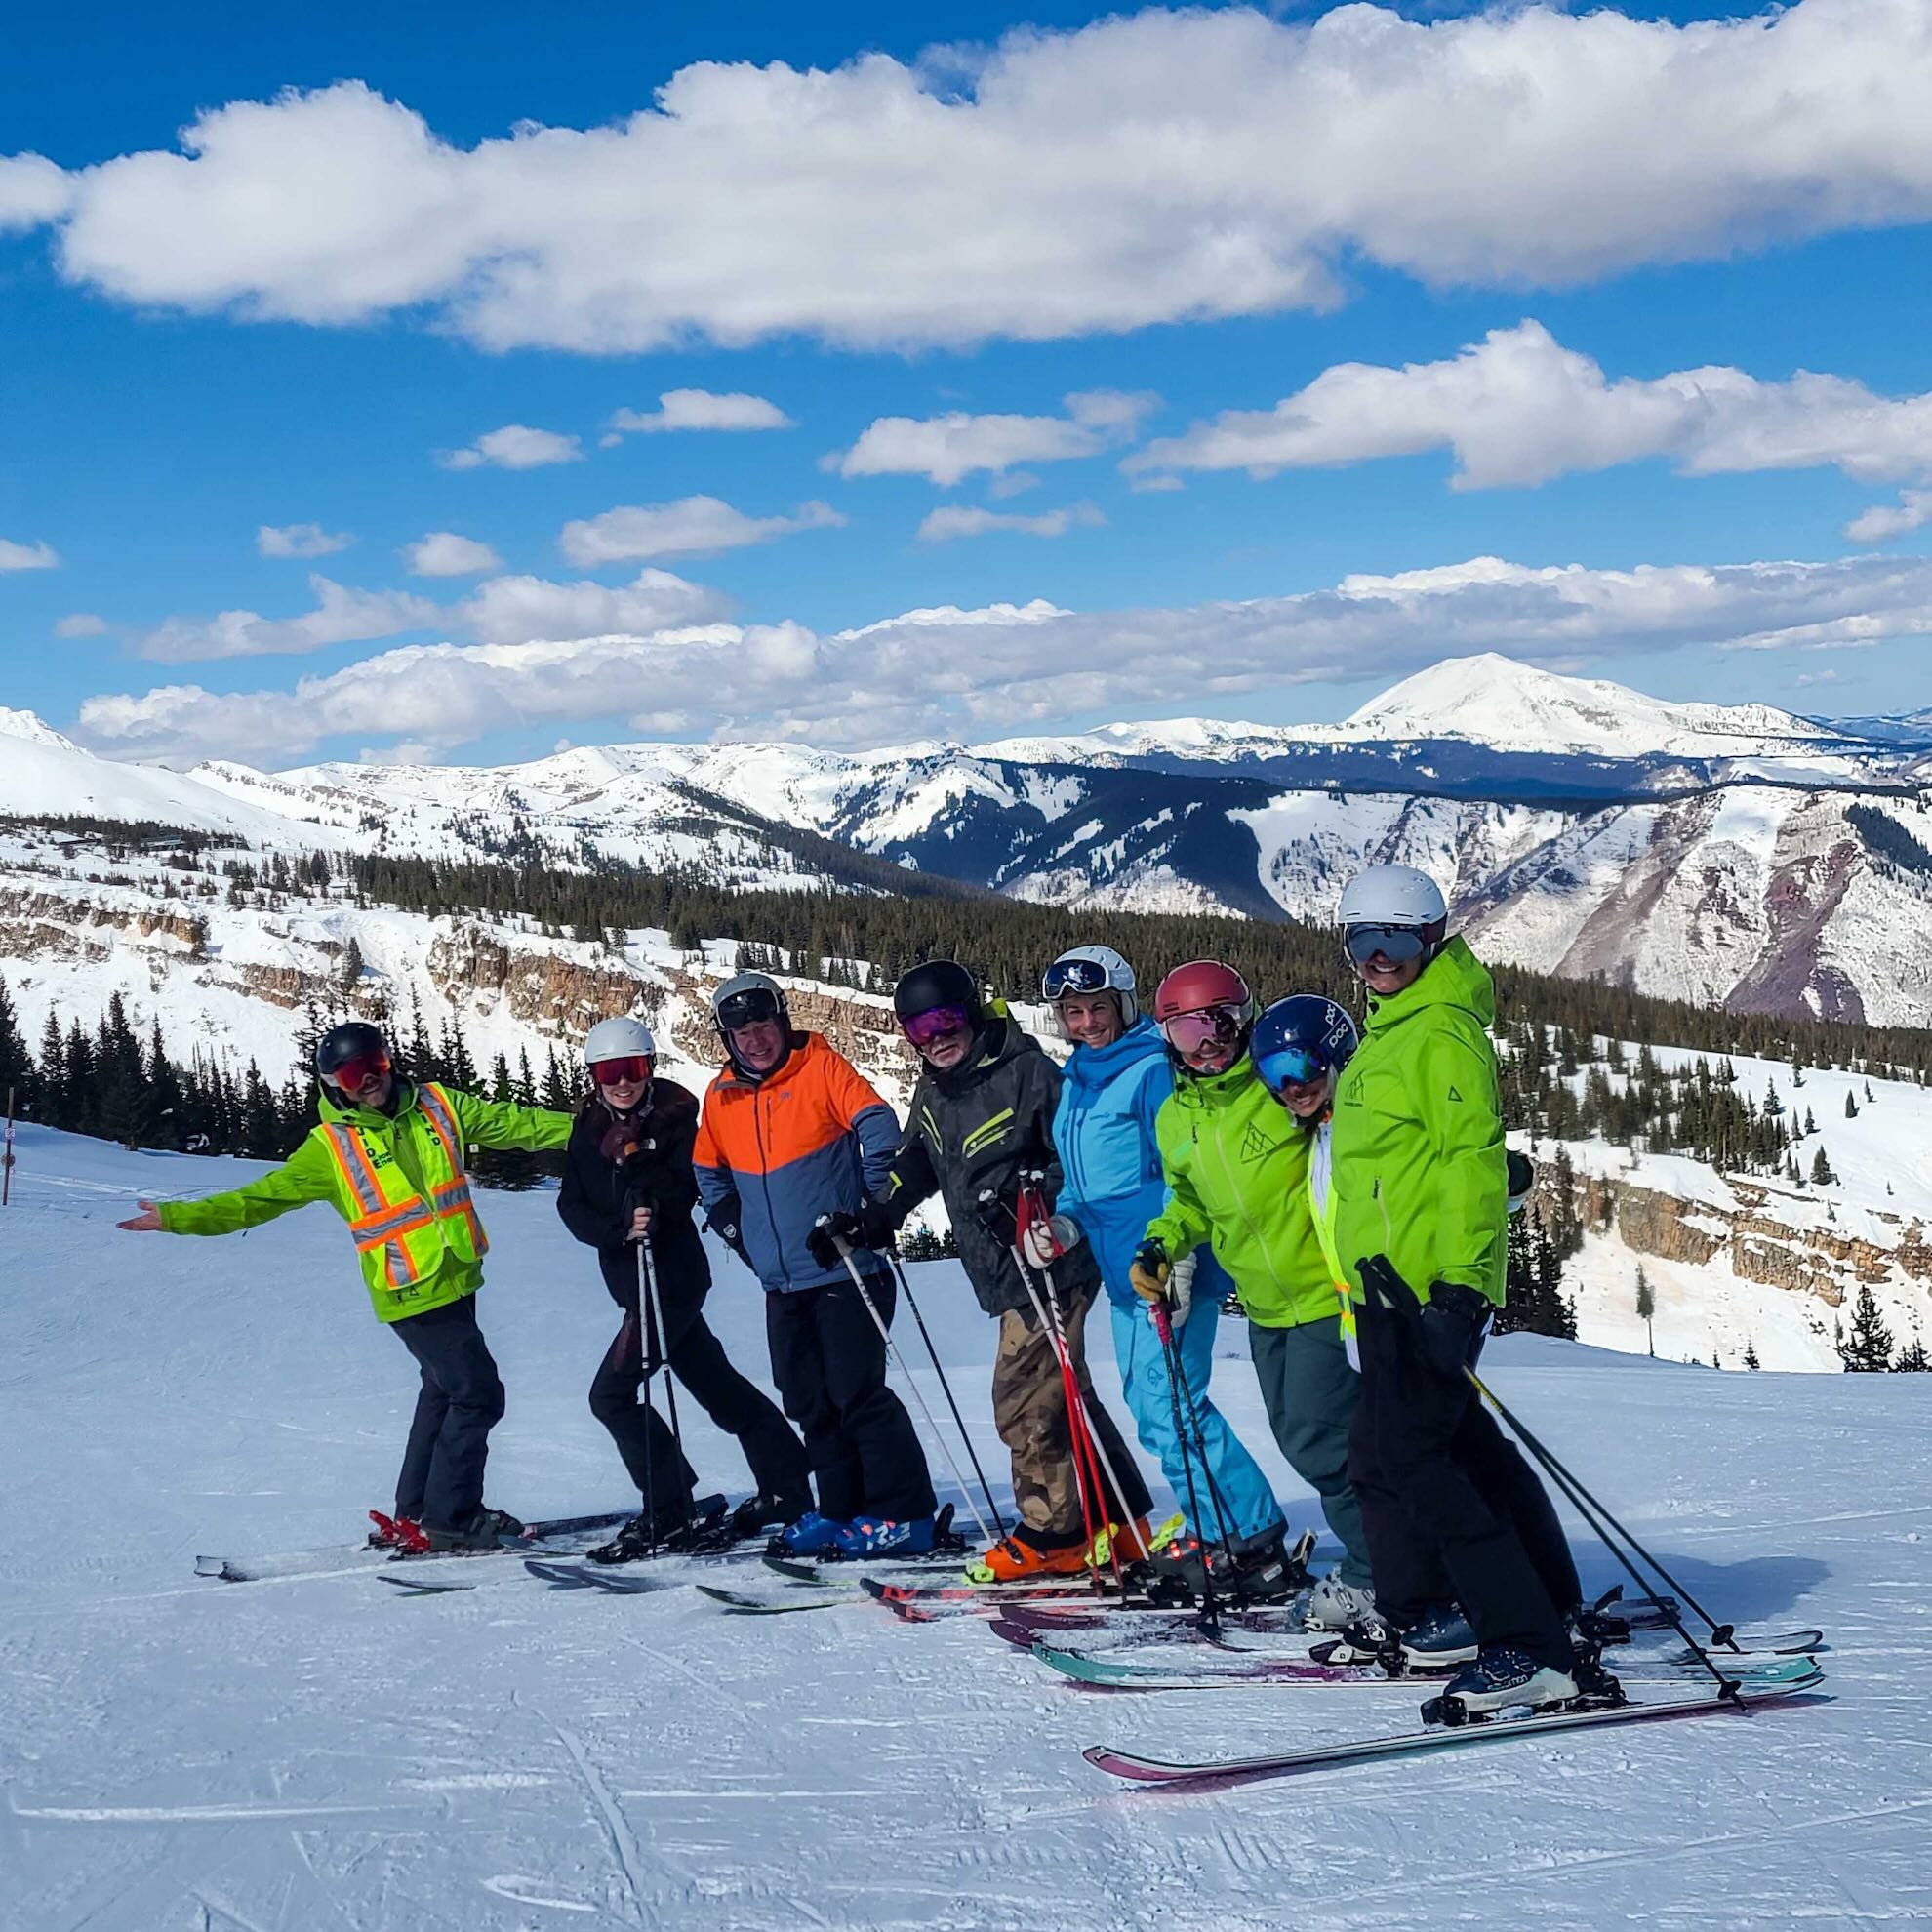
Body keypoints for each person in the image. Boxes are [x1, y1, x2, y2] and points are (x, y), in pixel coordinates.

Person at [116, 1021, 574, 1551]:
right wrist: (178, 1218)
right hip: (409, 1289)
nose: (368, 1080)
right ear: (334, 1083)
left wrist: (594, 1127)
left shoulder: (437, 1105)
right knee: (477, 1395)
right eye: (353, 1074)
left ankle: (421, 1509)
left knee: (444, 1391)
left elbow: (518, 1124)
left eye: (375, 1065)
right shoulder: (330, 1148)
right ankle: (455, 1518)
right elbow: (260, 1200)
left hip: (457, 1275)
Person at [1330, 864, 1584, 1713]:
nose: (1378, 957)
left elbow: (1471, 1166)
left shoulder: (1438, 1031)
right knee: (1442, 1448)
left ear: (1431, 938)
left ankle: (1525, 1645)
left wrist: (1464, 1292)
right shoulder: (1395, 1023)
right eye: (1362, 941)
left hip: (1428, 1290)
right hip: (1386, 1287)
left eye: (1395, 940)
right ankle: (1543, 1606)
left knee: (1417, 1459)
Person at [825, 960, 1152, 1583]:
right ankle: (1121, 1523)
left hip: (1049, 1263)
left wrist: (1035, 1210)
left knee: (1023, 1402)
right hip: (1002, 1273)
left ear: (973, 1013)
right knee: (1066, 1396)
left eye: (946, 1020)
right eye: (918, 1029)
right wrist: (877, 1214)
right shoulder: (935, 1088)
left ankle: (1052, 1533)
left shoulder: (1026, 1073)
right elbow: (915, 1160)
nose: (936, 1038)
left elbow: (1075, 1160)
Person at [1041, 945, 1292, 1600]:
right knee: (1155, 1409)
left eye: (1098, 1007)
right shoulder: (1080, 1077)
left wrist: (1175, 1257)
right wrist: (1064, 1225)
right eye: (1073, 1011)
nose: (1087, 1022)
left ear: (1123, 1005)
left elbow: (1183, 1173)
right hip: (1124, 1273)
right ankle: (1221, 1521)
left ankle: (1244, 1531)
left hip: (1166, 1268)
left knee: (1170, 1406)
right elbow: (1081, 1181)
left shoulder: (1152, 1068)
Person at [1131, 961, 1377, 1630]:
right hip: (1266, 1307)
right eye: (1184, 1031)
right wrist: (1161, 1243)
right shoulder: (1176, 1117)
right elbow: (1186, 1200)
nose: (1205, 1044)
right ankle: (1392, 1560)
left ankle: (1376, 1572)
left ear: (1243, 1020)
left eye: (1217, 1023)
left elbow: (1351, 1137)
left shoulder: (1274, 1087)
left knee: (1326, 1444)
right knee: (1303, 1439)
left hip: (1330, 1294)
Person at [692, 971, 938, 1558]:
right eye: (740, 1030)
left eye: (762, 1025)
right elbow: (707, 1173)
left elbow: (878, 1126)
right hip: (781, 1280)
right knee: (806, 1399)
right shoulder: (721, 1095)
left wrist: (872, 1211)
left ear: (782, 1021)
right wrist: (739, 1231)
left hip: (847, 1269)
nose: (754, 1040)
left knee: (858, 1394)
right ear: (727, 1038)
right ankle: (839, 1510)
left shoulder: (821, 1069)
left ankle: (902, 1514)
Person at [557, 1015, 812, 1561]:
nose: (622, 1081)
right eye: (610, 1071)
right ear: (595, 1076)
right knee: (719, 1387)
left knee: (611, 1395)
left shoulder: (677, 1121)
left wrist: (653, 1193)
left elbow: (695, 1185)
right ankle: (787, 1485)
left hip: (669, 1284)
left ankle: (669, 1505)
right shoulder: (587, 1131)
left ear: (650, 1069)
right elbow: (570, 1203)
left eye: (634, 1068)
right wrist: (617, 1228)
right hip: (634, 1283)